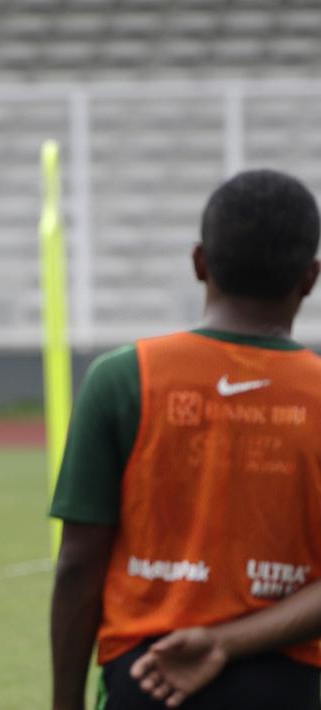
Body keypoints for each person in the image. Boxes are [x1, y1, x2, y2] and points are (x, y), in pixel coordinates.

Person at [50, 169, 321, 710]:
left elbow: (80, 563)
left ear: (200, 262)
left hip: (146, 675)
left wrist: (65, 702)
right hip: (285, 683)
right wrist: (227, 641)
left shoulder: (123, 378)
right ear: (310, 278)